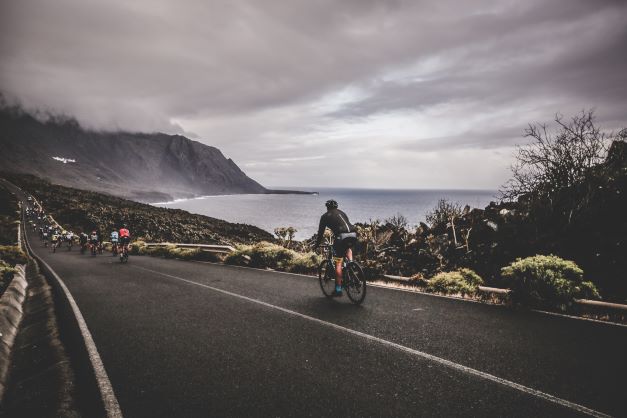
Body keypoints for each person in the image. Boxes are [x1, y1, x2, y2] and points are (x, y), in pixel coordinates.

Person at [314, 200, 357, 297]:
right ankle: (350, 263)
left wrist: (316, 245)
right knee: (347, 247)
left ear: (327, 207)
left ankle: (338, 289)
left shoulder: (325, 216)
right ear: (336, 207)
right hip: (353, 234)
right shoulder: (342, 213)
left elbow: (320, 233)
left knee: (338, 262)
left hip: (341, 236)